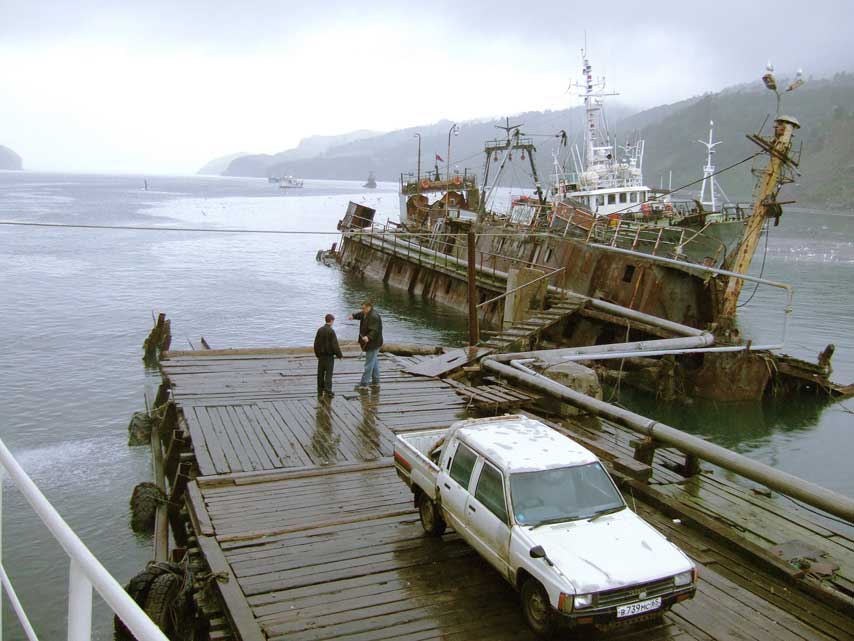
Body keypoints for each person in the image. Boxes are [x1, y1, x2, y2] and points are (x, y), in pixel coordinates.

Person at [348, 301, 383, 389]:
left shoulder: (373, 317)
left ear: (369, 307)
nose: (362, 310)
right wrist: (354, 316)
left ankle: (364, 384)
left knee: (368, 365)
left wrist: (368, 337)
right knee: (373, 362)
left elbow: (374, 330)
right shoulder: (366, 313)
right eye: (362, 308)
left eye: (363, 308)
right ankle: (376, 382)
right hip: (372, 343)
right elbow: (361, 314)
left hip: (373, 344)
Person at [313, 313, 343, 397]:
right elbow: (335, 345)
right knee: (328, 374)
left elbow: (316, 343)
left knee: (320, 373)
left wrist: (317, 354)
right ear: (331, 321)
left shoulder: (320, 330)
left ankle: (320, 388)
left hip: (321, 356)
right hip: (329, 357)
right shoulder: (331, 331)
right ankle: (328, 390)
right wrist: (339, 355)